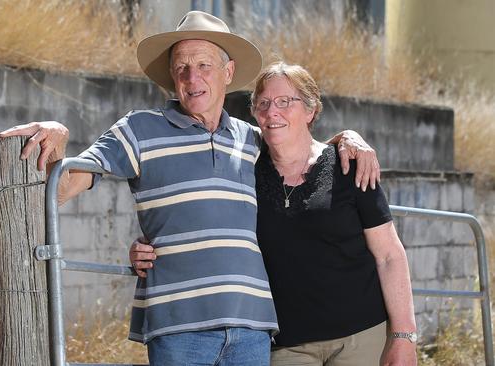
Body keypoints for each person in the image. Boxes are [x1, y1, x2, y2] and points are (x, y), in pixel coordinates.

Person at [0, 11, 381, 366]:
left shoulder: (253, 139)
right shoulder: (138, 129)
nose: (192, 78)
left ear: (228, 72)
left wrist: (348, 138)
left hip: (252, 326)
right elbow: (62, 189)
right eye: (181, 67)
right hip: (177, 327)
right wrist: (58, 138)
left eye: (203, 66)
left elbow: (300, 146)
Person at [131, 61, 417, 366]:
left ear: (310, 111)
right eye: (263, 103)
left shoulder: (350, 166)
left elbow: (389, 256)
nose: (272, 112)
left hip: (362, 337)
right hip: (286, 346)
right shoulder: (242, 168)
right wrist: (149, 247)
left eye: (285, 102)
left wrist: (404, 337)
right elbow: (200, 216)